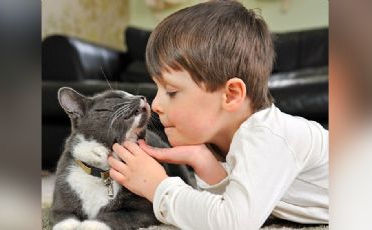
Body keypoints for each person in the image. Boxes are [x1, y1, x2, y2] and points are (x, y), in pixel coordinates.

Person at [108, 1, 328, 229]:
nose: (155, 104)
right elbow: (225, 208)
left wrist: (156, 187)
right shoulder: (234, 140)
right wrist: (204, 161)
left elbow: (231, 223)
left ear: (231, 95)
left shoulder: (267, 135)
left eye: (171, 91)